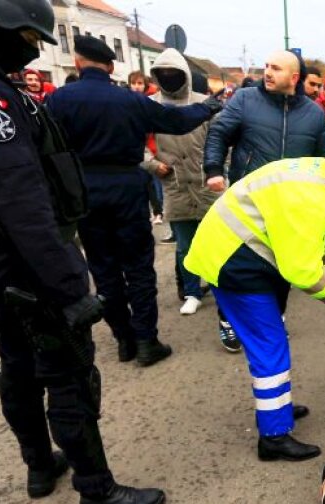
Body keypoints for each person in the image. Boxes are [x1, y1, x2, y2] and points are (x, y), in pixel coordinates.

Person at [0, 0, 165, 504]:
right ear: (0, 26)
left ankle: (39, 466)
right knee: (67, 371)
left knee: (20, 365)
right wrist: (72, 285)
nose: (32, 49)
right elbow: (20, 202)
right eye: (30, 38)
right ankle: (96, 491)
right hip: (25, 258)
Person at [184, 142, 325, 461]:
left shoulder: (324, 174)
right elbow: (303, 270)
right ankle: (273, 437)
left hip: (238, 252)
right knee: (269, 350)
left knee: (272, 346)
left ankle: (278, 410)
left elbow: (319, 231)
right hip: (236, 263)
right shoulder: (312, 198)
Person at [45, 36, 218, 367]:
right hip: (127, 188)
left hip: (84, 190)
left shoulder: (59, 101)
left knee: (104, 268)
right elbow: (175, 121)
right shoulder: (129, 100)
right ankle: (146, 340)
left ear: (78, 63)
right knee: (138, 266)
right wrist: (207, 107)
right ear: (111, 67)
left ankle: (123, 339)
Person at [203, 50, 325, 350]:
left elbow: (323, 159)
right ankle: (228, 320)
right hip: (249, 204)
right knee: (237, 264)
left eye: (276, 68)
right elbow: (219, 132)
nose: (268, 73)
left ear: (294, 77)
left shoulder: (313, 114)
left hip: (290, 207)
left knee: (281, 266)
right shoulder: (246, 100)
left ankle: (276, 317)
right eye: (266, 67)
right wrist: (212, 169)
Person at [141, 48, 220, 317]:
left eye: (173, 73)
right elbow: (138, 145)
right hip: (174, 185)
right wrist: (152, 164)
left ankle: (221, 286)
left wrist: (217, 169)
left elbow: (221, 141)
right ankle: (191, 291)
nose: (168, 78)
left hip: (207, 183)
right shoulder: (148, 105)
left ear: (184, 74)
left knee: (217, 241)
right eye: (162, 74)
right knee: (184, 246)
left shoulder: (204, 103)